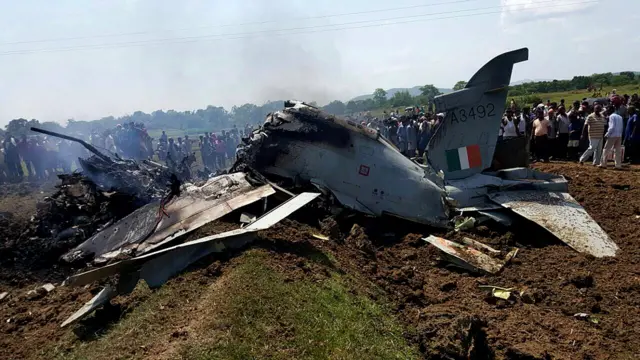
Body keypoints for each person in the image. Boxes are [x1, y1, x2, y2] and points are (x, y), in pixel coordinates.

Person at [600, 105, 624, 169]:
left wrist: (607, 134)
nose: (606, 111)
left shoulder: (611, 116)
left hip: (612, 135)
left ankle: (603, 164)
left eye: (607, 109)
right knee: (617, 150)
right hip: (619, 135)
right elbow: (621, 127)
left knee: (606, 149)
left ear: (610, 110)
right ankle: (618, 165)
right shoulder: (620, 116)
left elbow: (612, 127)